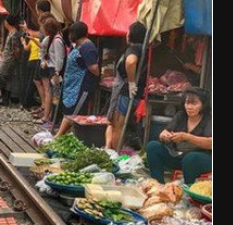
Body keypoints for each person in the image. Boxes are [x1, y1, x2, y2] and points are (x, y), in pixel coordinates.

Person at [146, 88, 212, 185]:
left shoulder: (209, 119)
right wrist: (165, 136)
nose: (189, 107)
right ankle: (158, 185)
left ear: (203, 105)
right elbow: (164, 132)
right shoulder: (181, 116)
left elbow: (210, 143)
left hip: (201, 159)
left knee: (191, 158)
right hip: (179, 156)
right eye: (187, 103)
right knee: (153, 146)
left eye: (194, 103)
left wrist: (187, 137)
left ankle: (190, 191)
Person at [105, 21, 148, 150]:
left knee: (118, 124)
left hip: (125, 92)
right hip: (135, 92)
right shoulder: (143, 48)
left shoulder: (134, 48)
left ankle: (114, 153)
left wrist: (131, 83)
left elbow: (130, 62)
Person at [55, 22, 100, 138]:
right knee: (69, 111)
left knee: (73, 114)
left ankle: (58, 137)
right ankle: (65, 137)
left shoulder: (87, 47)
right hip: (72, 86)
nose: (69, 36)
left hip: (81, 86)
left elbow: (94, 68)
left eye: (70, 33)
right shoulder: (79, 46)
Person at [38, 16, 66, 123]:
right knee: (53, 94)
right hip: (52, 70)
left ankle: (54, 119)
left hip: (55, 71)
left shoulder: (57, 40)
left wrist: (57, 72)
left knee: (55, 96)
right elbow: (42, 51)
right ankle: (50, 118)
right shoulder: (50, 39)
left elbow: (60, 58)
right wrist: (43, 61)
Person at [0, 15, 23, 106]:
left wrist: (15, 59)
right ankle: (5, 99)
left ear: (7, 23)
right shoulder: (11, 33)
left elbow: (17, 49)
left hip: (9, 60)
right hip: (6, 58)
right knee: (8, 80)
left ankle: (5, 97)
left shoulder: (15, 34)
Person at [20, 17, 43, 111]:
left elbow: (26, 48)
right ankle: (28, 102)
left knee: (31, 82)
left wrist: (22, 42)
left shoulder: (33, 39)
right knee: (34, 83)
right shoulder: (40, 40)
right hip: (37, 61)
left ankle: (26, 102)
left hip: (31, 61)